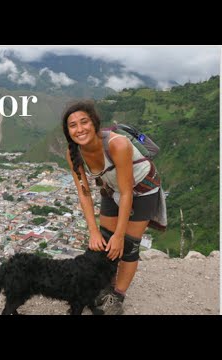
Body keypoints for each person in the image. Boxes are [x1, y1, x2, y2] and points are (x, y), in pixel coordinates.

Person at [62, 99, 165, 315]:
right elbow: (84, 192)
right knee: (103, 240)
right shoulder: (74, 154)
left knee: (127, 245)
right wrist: (93, 231)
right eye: (73, 125)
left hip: (142, 188)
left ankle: (117, 296)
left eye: (84, 122)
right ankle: (105, 287)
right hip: (111, 187)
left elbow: (128, 192)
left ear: (95, 123)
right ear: (67, 131)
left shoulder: (117, 144)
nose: (80, 129)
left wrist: (120, 235)